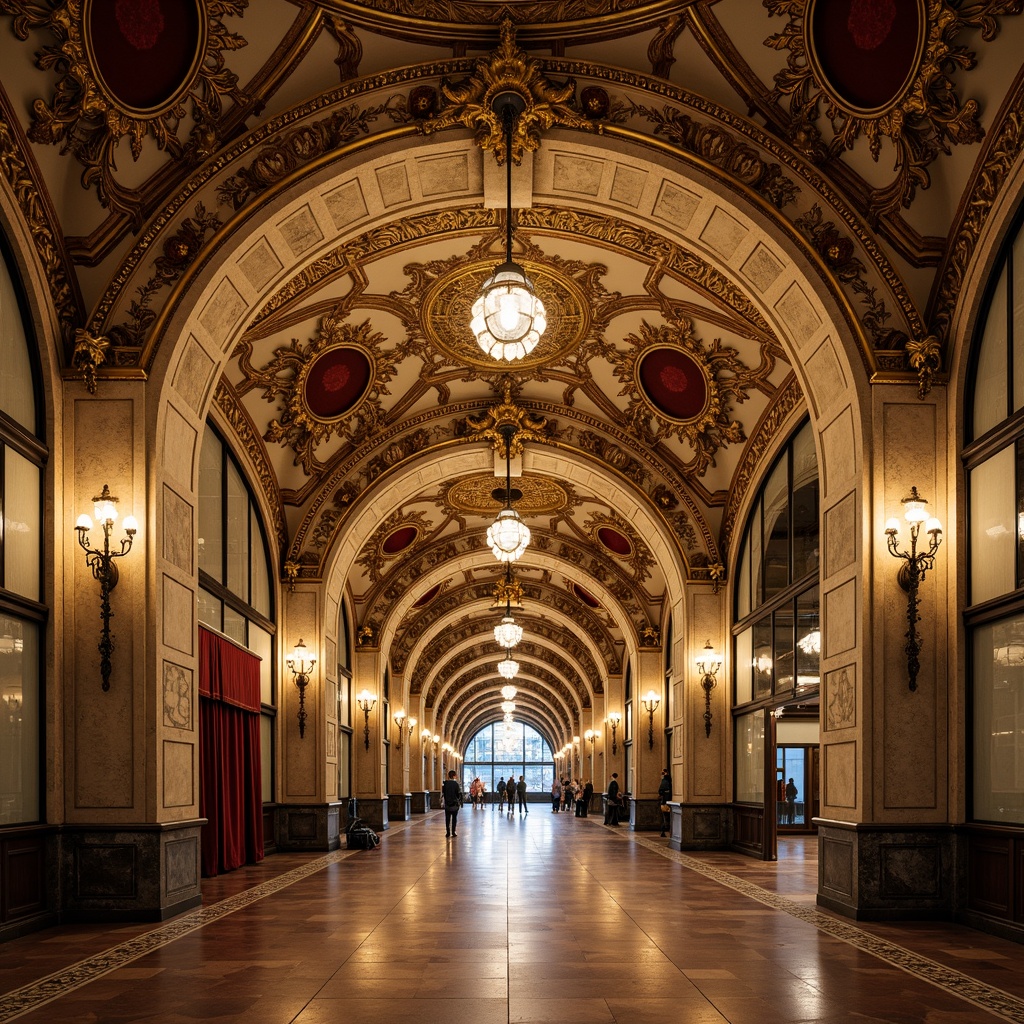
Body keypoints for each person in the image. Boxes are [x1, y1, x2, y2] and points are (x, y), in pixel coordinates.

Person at [442, 769, 463, 838]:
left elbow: (443, 793)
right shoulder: (456, 784)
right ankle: (453, 832)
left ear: (448, 776)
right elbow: (458, 794)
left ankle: (448, 832)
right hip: (454, 804)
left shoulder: (445, 784)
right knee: (454, 818)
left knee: (447, 818)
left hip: (447, 804)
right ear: (454, 776)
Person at [658, 767, 672, 837]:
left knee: (665, 818)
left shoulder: (664, 781)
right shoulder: (668, 781)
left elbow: (660, 792)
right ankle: (666, 830)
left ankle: (663, 830)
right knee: (667, 818)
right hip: (667, 802)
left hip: (663, 802)